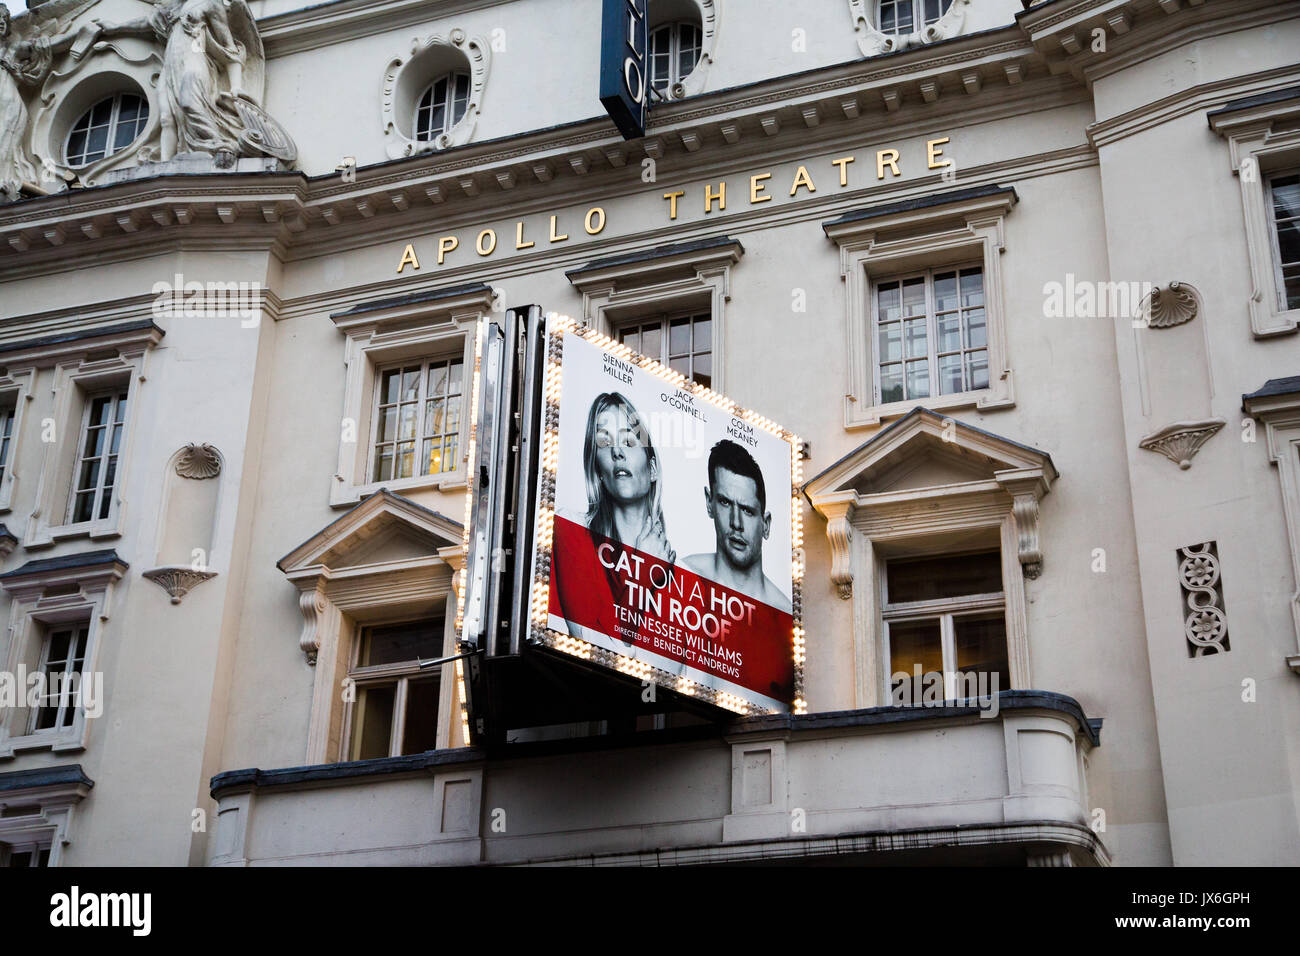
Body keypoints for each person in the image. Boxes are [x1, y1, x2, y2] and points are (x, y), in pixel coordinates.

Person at [550, 392, 675, 648]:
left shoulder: (680, 576)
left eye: (629, 441)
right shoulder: (571, 529)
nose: (617, 451)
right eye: (604, 442)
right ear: (598, 470)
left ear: (652, 469)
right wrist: (643, 573)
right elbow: (594, 645)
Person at [683, 439, 791, 613]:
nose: (736, 523)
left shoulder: (782, 614)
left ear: (766, 525)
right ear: (709, 503)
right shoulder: (681, 577)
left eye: (747, 510)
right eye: (725, 502)